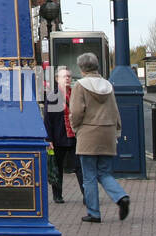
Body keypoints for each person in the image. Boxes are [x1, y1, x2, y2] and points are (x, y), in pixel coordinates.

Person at [68, 52, 130, 223]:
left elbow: (76, 112)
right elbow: (115, 111)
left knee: (89, 176)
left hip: (88, 133)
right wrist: (117, 130)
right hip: (107, 132)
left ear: (81, 68)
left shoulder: (80, 85)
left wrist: (76, 128)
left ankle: (94, 213)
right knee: (104, 172)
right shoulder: (108, 85)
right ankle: (121, 196)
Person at [43, 67, 79, 203]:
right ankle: (57, 195)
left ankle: (86, 195)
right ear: (57, 79)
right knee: (57, 166)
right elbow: (48, 119)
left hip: (75, 136)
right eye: (65, 76)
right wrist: (49, 139)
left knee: (79, 167)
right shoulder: (53, 96)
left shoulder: (76, 94)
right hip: (58, 137)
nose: (68, 79)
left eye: (69, 76)